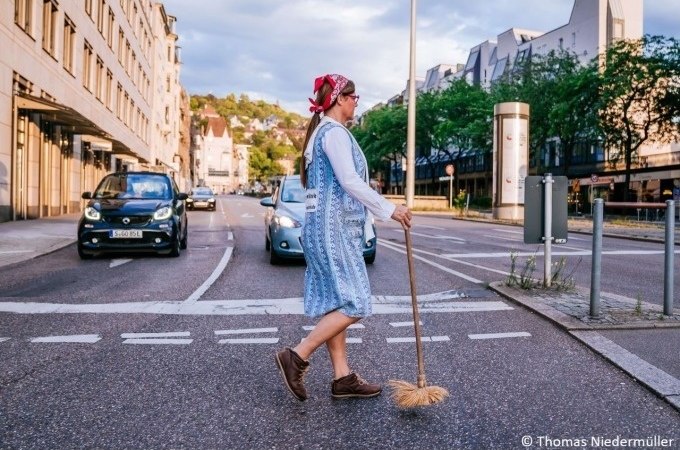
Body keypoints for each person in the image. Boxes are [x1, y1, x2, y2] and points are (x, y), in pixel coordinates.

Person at [275, 74, 412, 401]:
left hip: (323, 228)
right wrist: (389, 209)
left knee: (337, 301)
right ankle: (297, 355)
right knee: (357, 302)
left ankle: (342, 377)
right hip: (333, 230)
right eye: (353, 96)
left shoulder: (322, 132)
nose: (357, 101)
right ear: (339, 99)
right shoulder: (333, 133)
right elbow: (349, 180)